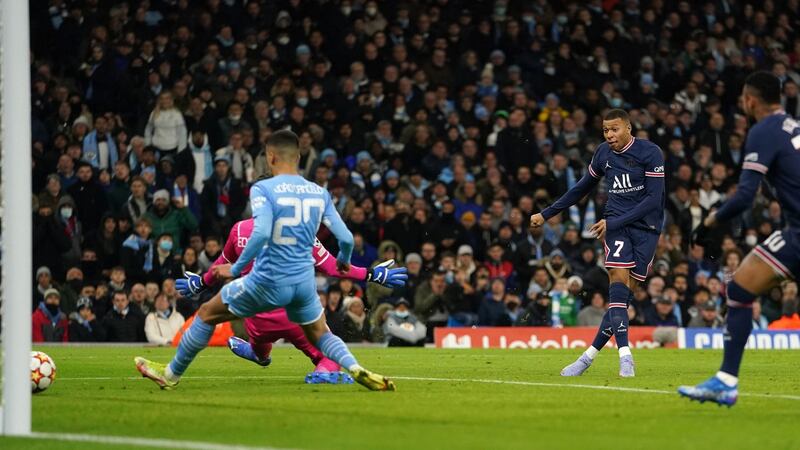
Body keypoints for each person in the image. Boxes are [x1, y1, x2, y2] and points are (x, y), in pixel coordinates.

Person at [134, 130, 398, 391]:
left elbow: (259, 233)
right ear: (298, 157)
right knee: (322, 333)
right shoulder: (319, 193)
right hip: (302, 285)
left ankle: (171, 374)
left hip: (267, 285)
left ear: (271, 157)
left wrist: (233, 270)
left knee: (206, 314)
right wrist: (353, 264)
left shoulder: (262, 191)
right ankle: (355, 367)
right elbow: (346, 240)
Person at [679, 72, 800, 406]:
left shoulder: (763, 130)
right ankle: (725, 380)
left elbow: (746, 195)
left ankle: (726, 381)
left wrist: (710, 221)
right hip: (794, 231)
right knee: (741, 286)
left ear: (750, 100)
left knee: (739, 288)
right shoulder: (794, 126)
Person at [174, 217, 405, 383]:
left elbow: (221, 264)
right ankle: (324, 373)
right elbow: (332, 267)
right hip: (297, 315)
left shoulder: (240, 229)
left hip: (256, 318)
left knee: (218, 318)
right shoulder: (300, 230)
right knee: (327, 355)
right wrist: (371, 274)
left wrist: (200, 283)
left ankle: (256, 353)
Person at [531, 108, 665, 378]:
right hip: (615, 225)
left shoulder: (650, 153)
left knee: (622, 301)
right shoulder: (603, 154)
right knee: (617, 289)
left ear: (628, 128)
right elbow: (581, 187)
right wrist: (547, 214)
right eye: (605, 130)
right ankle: (626, 357)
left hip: (646, 229)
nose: (609, 135)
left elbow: (653, 199)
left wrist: (614, 223)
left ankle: (587, 357)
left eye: (615, 129)